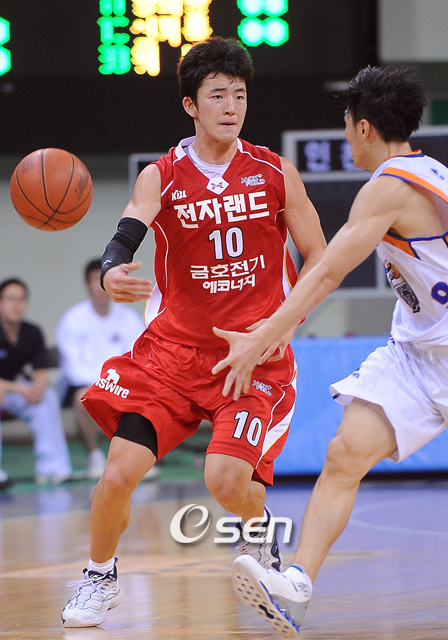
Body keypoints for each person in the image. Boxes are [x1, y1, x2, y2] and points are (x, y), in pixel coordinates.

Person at [61, 36, 326, 628]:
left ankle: (259, 536)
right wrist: (110, 271)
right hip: (172, 357)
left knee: (226, 480)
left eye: (239, 95)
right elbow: (126, 233)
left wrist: (281, 325)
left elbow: (320, 257)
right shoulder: (162, 176)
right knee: (116, 474)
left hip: (251, 359)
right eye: (218, 96)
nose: (231, 107)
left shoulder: (274, 172)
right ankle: (99, 577)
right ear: (191, 105)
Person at [212, 64, 448, 638]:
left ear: (364, 128)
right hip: (415, 354)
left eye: (347, 124)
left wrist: (264, 334)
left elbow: (327, 270)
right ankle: (296, 585)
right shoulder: (428, 169)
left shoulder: (390, 185)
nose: (346, 135)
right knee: (344, 454)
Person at [56, 259, 145, 479]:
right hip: (87, 384)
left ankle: (135, 459)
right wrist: (103, 385)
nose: (101, 286)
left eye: (104, 279)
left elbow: (138, 357)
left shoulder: (128, 318)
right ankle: (95, 456)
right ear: (87, 284)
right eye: (96, 280)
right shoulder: (73, 319)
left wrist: (118, 384)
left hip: (123, 384)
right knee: (82, 399)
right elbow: (72, 366)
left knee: (144, 397)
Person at [0, 278, 72, 488]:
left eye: (21, 299)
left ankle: (53, 468)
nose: (16, 304)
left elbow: (41, 372)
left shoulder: (32, 332)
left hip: (15, 393)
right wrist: (18, 388)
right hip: (8, 391)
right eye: (10, 299)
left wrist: (37, 388)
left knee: (47, 396)